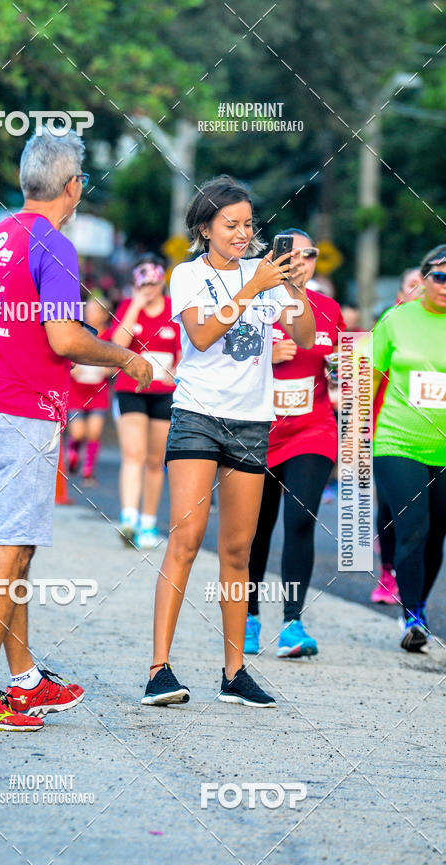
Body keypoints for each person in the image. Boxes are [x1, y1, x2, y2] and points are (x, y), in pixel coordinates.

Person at [0, 129, 152, 731]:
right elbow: (65, 339)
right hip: (22, 414)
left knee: (19, 547)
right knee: (8, 554)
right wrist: (125, 357)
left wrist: (4, 347)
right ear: (74, 186)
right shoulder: (55, 246)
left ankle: (25, 680)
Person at [141, 175, 315, 708]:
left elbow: (306, 340)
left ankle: (234, 672)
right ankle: (159, 670)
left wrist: (295, 289)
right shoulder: (187, 274)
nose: (243, 234)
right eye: (231, 225)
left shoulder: (263, 275)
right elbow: (200, 335)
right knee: (187, 539)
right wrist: (252, 287)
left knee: (237, 552)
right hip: (197, 415)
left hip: (252, 422)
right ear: (204, 228)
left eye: (248, 225)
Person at [246, 229, 345, 658]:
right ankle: (248, 617)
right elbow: (218, 356)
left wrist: (345, 369)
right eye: (293, 254)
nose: (301, 262)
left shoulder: (327, 308)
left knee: (300, 520)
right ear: (276, 258)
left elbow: (342, 370)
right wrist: (263, 356)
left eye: (311, 255)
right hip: (257, 433)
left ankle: (292, 623)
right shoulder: (254, 302)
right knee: (255, 529)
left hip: (312, 429)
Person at [372, 244, 446, 653]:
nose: (445, 285)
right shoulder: (398, 319)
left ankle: (418, 606)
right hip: (398, 442)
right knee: (413, 528)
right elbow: (367, 374)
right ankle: (412, 615)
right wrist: (354, 438)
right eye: (440, 276)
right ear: (423, 278)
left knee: (436, 534)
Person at [111, 255, 182, 549]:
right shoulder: (130, 307)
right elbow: (115, 345)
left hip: (163, 394)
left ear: (161, 282)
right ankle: (128, 519)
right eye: (144, 284)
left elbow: (185, 351)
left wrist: (175, 373)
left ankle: (149, 523)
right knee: (133, 453)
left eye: (154, 283)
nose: (149, 289)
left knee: (155, 461)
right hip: (131, 390)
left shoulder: (174, 311)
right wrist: (136, 306)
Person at [370, 267, 422, 605]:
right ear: (400, 293)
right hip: (388, 430)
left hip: (431, 433)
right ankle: (388, 572)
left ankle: (413, 581)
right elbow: (365, 374)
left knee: (424, 517)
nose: (419, 290)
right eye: (411, 285)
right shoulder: (390, 323)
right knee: (389, 506)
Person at [66, 294, 114, 485]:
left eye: (94, 310)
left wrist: (107, 369)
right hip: (77, 390)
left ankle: (88, 472)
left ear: (104, 315)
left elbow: (115, 363)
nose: (89, 313)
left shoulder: (110, 336)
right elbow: (67, 355)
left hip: (98, 391)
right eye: (88, 310)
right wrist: (73, 369)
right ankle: (73, 454)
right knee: (77, 433)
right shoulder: (79, 331)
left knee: (94, 432)